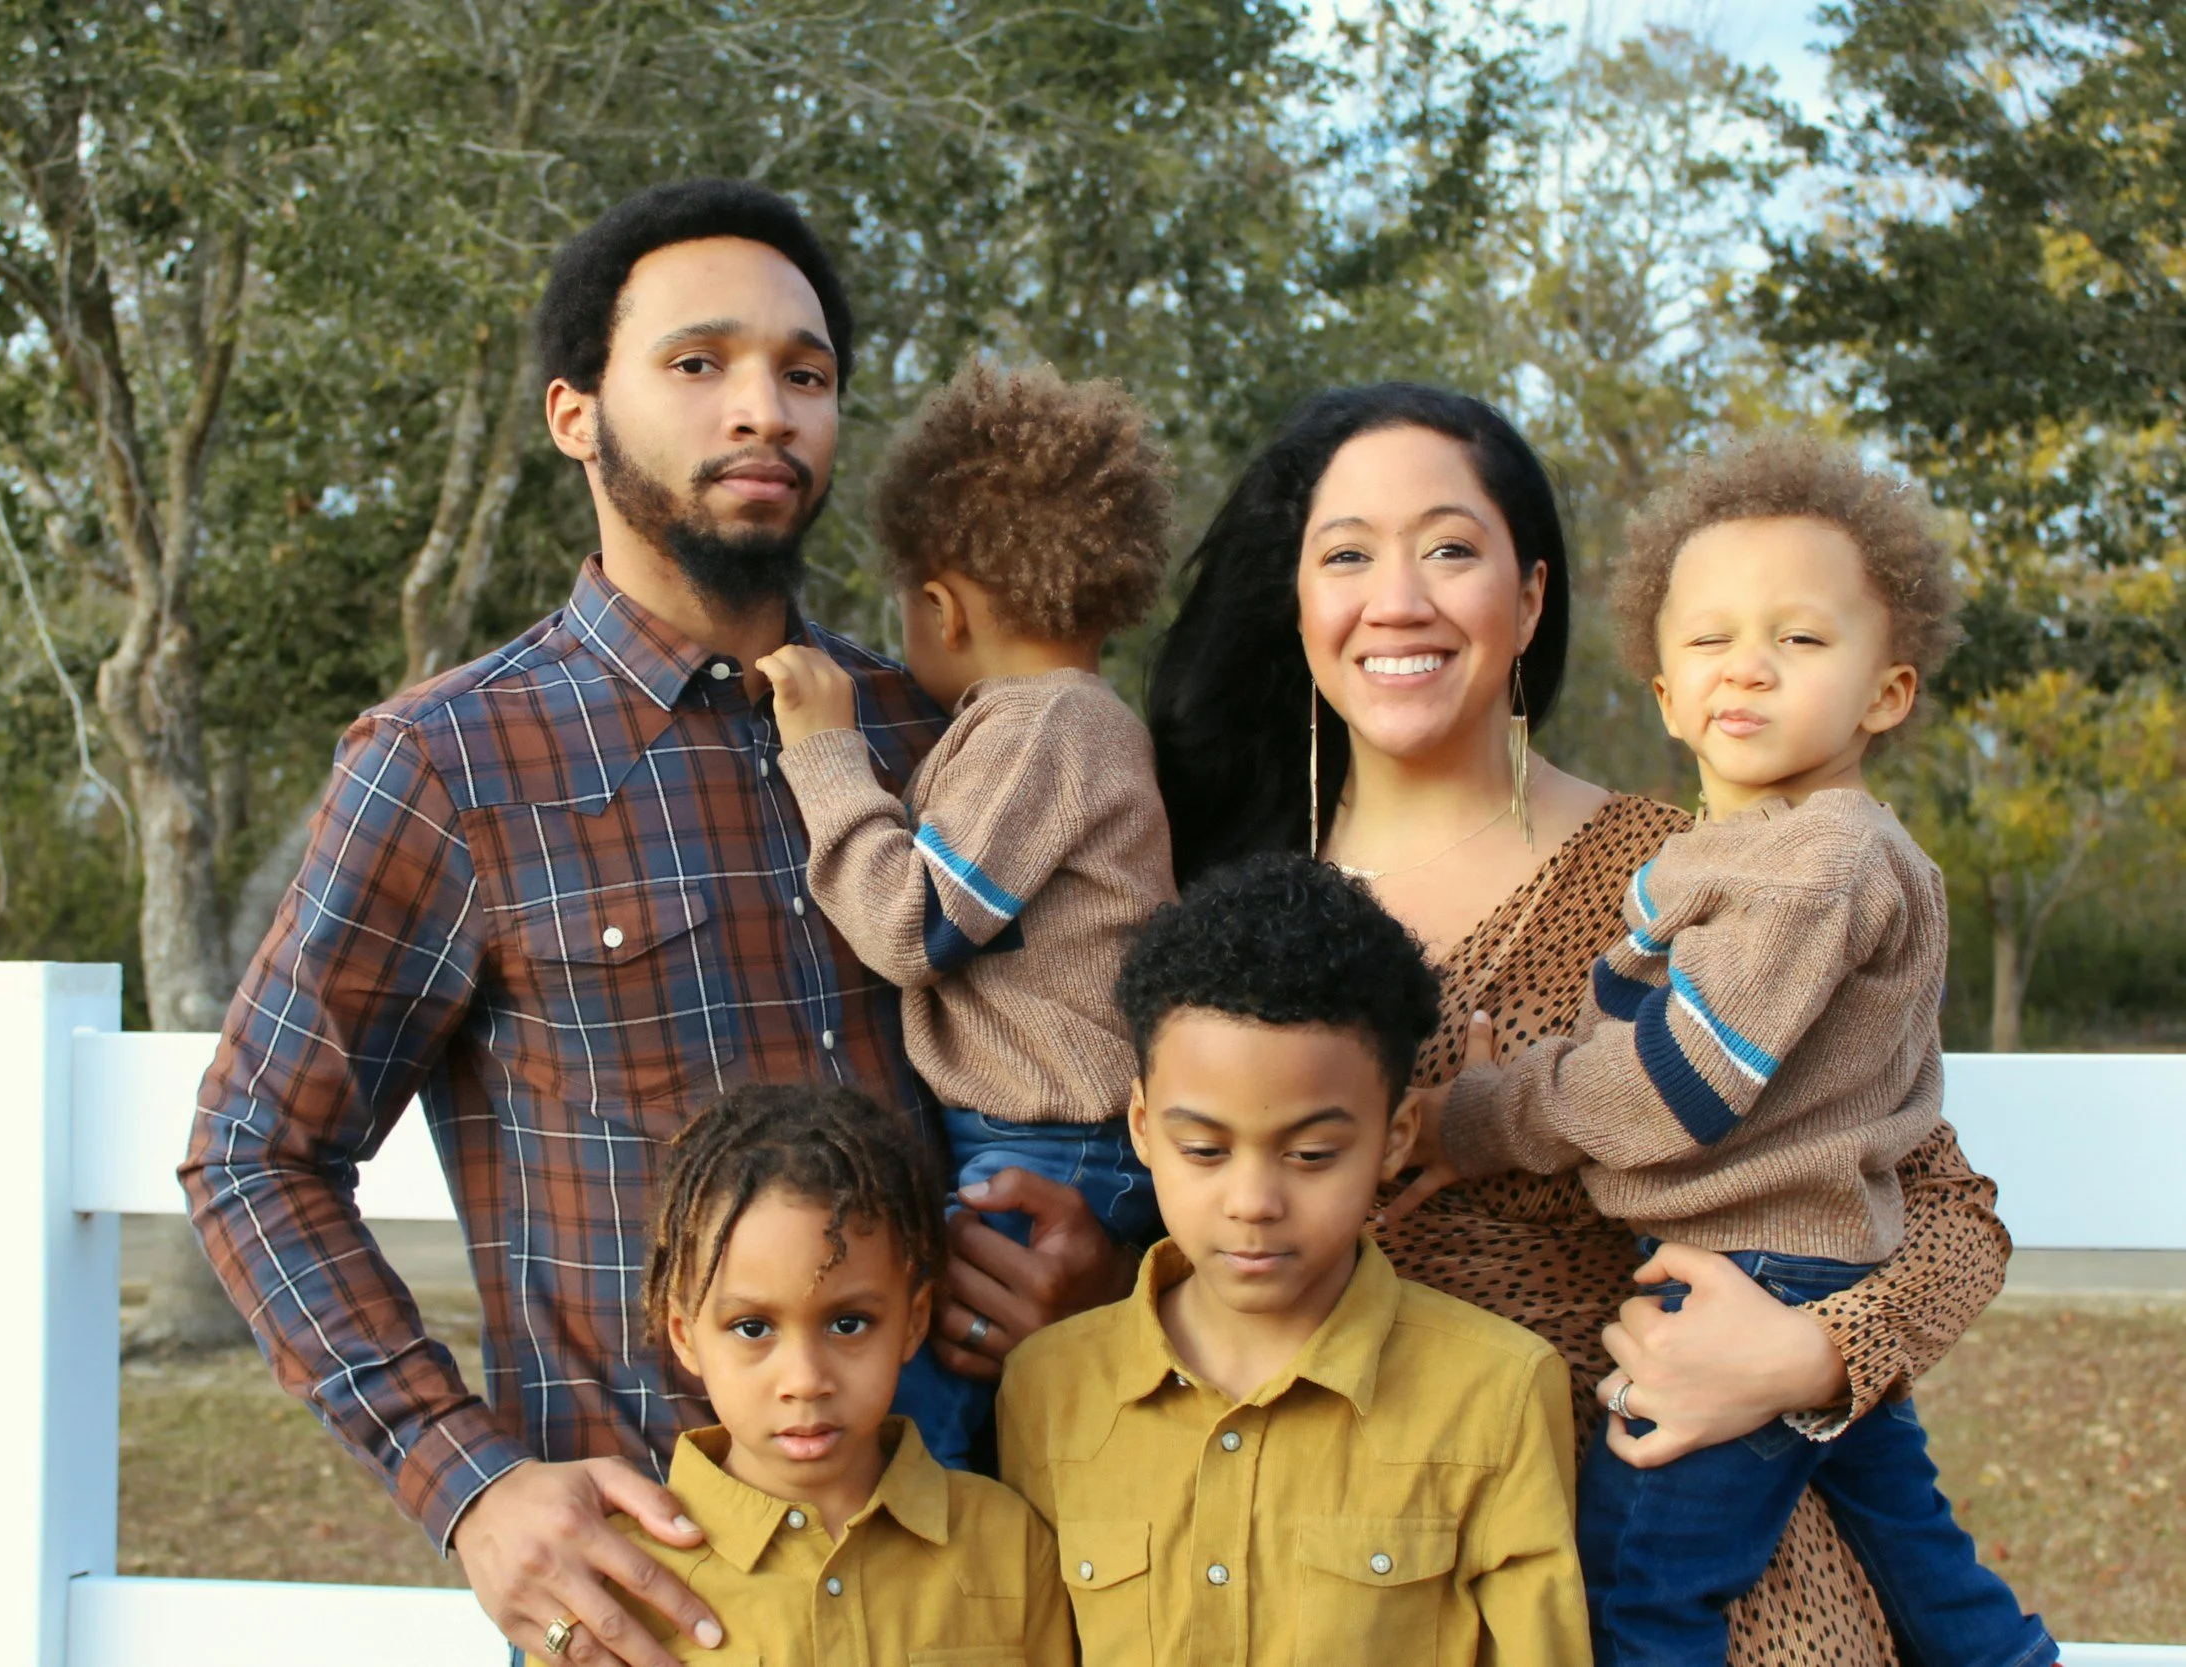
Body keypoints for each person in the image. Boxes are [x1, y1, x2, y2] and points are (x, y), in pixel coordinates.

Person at [179, 180, 1128, 1667]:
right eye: (700, 364)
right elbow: (255, 1151)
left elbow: (1101, 1050)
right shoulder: (452, 762)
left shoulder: (944, 733)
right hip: (652, 1612)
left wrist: (1110, 1259)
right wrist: (469, 1483)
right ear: (576, 413)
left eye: (804, 373)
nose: (764, 407)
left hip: (975, 1587)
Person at [1146, 383, 2015, 1666]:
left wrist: (1808, 1356)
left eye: (1449, 547)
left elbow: (1947, 1209)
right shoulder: (1207, 896)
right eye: (1346, 554)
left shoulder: (1703, 874)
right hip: (1338, 1576)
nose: (1397, 597)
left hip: (1678, 1550)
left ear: (1531, 598)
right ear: (1299, 604)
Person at [1394, 436, 2054, 1666]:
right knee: (1937, 1579)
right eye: (1709, 641)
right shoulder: (1728, 853)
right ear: (1659, 689)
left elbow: (1681, 1083)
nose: (1746, 668)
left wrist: (1483, 1112)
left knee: (1642, 1596)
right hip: (1804, 1255)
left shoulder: (1818, 863)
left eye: (1798, 641)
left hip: (1749, 1278)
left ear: (1885, 692)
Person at [996, 854, 1593, 1665]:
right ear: (1140, 1125)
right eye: (1203, 1148)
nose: (1253, 1201)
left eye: (1312, 1154)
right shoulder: (1046, 1388)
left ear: (1395, 1140)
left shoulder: (1499, 1390)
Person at [755, 359, 1177, 1469]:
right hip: (1034, 1134)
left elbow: (913, 924)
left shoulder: (1047, 727)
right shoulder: (1069, 722)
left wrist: (825, 751)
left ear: (941, 604)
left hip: (1049, 1145)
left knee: (923, 1434)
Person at [535, 1080, 1075, 1664]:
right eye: (752, 1328)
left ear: (914, 1321)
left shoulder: (1006, 1543)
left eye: (848, 1324)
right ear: (685, 1337)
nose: (805, 1380)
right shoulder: (617, 1585)